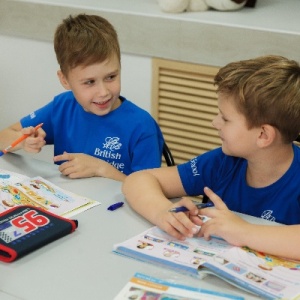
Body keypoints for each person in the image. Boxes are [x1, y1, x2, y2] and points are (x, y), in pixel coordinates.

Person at [122, 55, 300, 260]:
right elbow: (137, 180)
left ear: (263, 135)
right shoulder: (223, 162)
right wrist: (163, 212)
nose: (214, 122)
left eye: (225, 118)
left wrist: (242, 231)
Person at [0, 14, 164, 181]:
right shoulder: (62, 107)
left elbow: (151, 189)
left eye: (111, 77)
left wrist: (101, 169)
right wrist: (22, 142)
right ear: (64, 80)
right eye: (89, 82)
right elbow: (3, 137)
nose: (103, 92)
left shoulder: (142, 126)